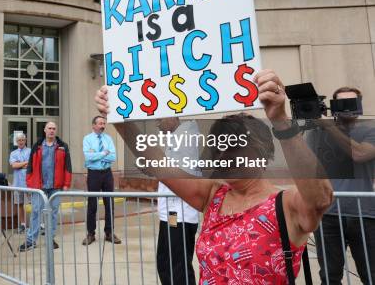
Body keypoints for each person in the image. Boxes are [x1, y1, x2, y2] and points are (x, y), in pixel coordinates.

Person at [95, 69, 334, 283]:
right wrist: (118, 117)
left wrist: (280, 120)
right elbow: (158, 163)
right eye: (217, 144)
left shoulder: (287, 204)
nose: (222, 153)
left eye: (234, 143)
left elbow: (321, 198)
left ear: (262, 149)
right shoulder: (214, 197)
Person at [307, 86, 375, 284]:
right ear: (332, 107)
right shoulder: (318, 133)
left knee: (371, 273)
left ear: (360, 106)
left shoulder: (370, 130)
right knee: (330, 275)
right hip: (328, 214)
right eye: (341, 104)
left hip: (364, 213)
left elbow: (360, 154)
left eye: (351, 103)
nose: (346, 109)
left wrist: (329, 127)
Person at [156, 118, 200, 285]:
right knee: (165, 262)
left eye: (159, 119)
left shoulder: (186, 136)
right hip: (170, 212)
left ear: (172, 116)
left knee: (178, 267)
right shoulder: (177, 136)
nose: (157, 124)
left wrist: (154, 166)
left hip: (180, 213)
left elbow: (181, 176)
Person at [19, 121, 72, 251]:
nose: (52, 130)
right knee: (36, 212)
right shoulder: (37, 146)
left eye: (54, 128)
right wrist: (30, 183)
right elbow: (30, 166)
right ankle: (31, 240)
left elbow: (68, 166)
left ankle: (50, 239)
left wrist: (66, 184)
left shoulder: (62, 146)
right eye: (49, 128)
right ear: (45, 130)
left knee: (53, 213)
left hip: (55, 187)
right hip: (39, 187)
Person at [82, 115, 121, 245]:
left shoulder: (108, 138)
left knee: (109, 204)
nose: (103, 125)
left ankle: (109, 233)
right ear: (93, 125)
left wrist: (97, 155)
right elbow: (88, 157)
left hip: (107, 174)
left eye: (104, 123)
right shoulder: (87, 139)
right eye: (100, 123)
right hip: (93, 174)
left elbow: (113, 157)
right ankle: (90, 234)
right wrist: (104, 153)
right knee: (92, 204)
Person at [9, 132, 31, 233]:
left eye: (22, 140)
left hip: (29, 182)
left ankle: (38, 224)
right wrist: (25, 163)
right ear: (16, 142)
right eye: (19, 140)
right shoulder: (13, 153)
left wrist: (19, 164)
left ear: (25, 140)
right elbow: (13, 166)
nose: (21, 142)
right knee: (19, 204)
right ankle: (22, 224)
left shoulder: (30, 151)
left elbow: (31, 165)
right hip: (17, 183)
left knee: (34, 203)